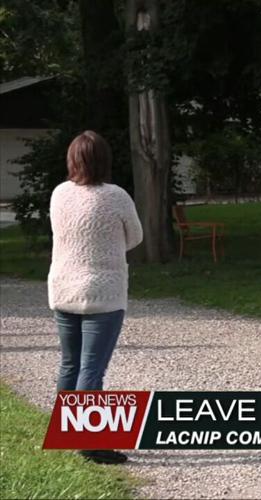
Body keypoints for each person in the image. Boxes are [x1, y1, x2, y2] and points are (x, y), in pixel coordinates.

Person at [49, 130, 143, 464]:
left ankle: (65, 432)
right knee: (92, 370)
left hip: (63, 289)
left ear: (72, 159)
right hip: (102, 293)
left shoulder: (60, 193)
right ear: (105, 160)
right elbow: (135, 237)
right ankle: (91, 443)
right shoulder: (116, 196)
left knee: (70, 364)